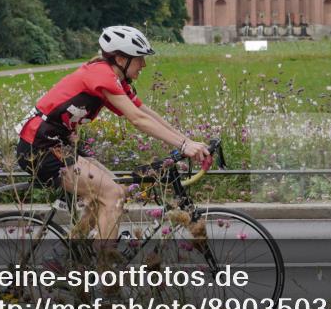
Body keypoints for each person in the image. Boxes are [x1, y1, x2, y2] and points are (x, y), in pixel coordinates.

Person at [16, 26, 210, 257]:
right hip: (39, 146)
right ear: (120, 59)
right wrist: (184, 146)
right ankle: (104, 266)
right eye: (139, 59)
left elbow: (145, 113)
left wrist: (187, 141)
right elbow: (137, 120)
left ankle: (72, 255)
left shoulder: (114, 78)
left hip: (58, 143)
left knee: (116, 189)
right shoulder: (101, 75)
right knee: (112, 195)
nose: (143, 65)